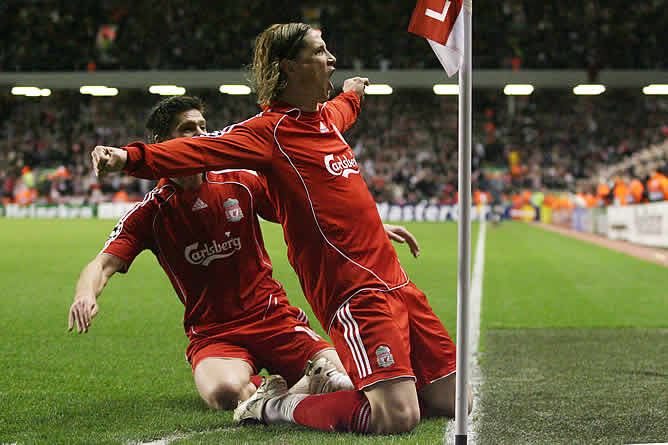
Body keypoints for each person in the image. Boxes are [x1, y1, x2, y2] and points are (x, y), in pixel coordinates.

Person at [91, 23, 470, 434]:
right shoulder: (268, 132)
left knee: (456, 401)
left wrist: (355, 93)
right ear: (289, 66)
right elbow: (200, 149)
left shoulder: (325, 119)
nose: (332, 60)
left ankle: (361, 384)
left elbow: (345, 108)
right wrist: (127, 158)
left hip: (398, 284)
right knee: (397, 418)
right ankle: (275, 406)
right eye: (321, 52)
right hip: (354, 292)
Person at [71, 96, 360, 411]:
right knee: (224, 393)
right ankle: (295, 388)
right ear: (161, 143)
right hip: (215, 334)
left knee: (345, 376)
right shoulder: (151, 213)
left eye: (203, 127)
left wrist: (359, 226)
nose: (200, 134)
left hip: (273, 317)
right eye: (187, 128)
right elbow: (102, 264)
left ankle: (271, 398)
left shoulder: (242, 182)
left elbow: (303, 212)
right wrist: (85, 295)